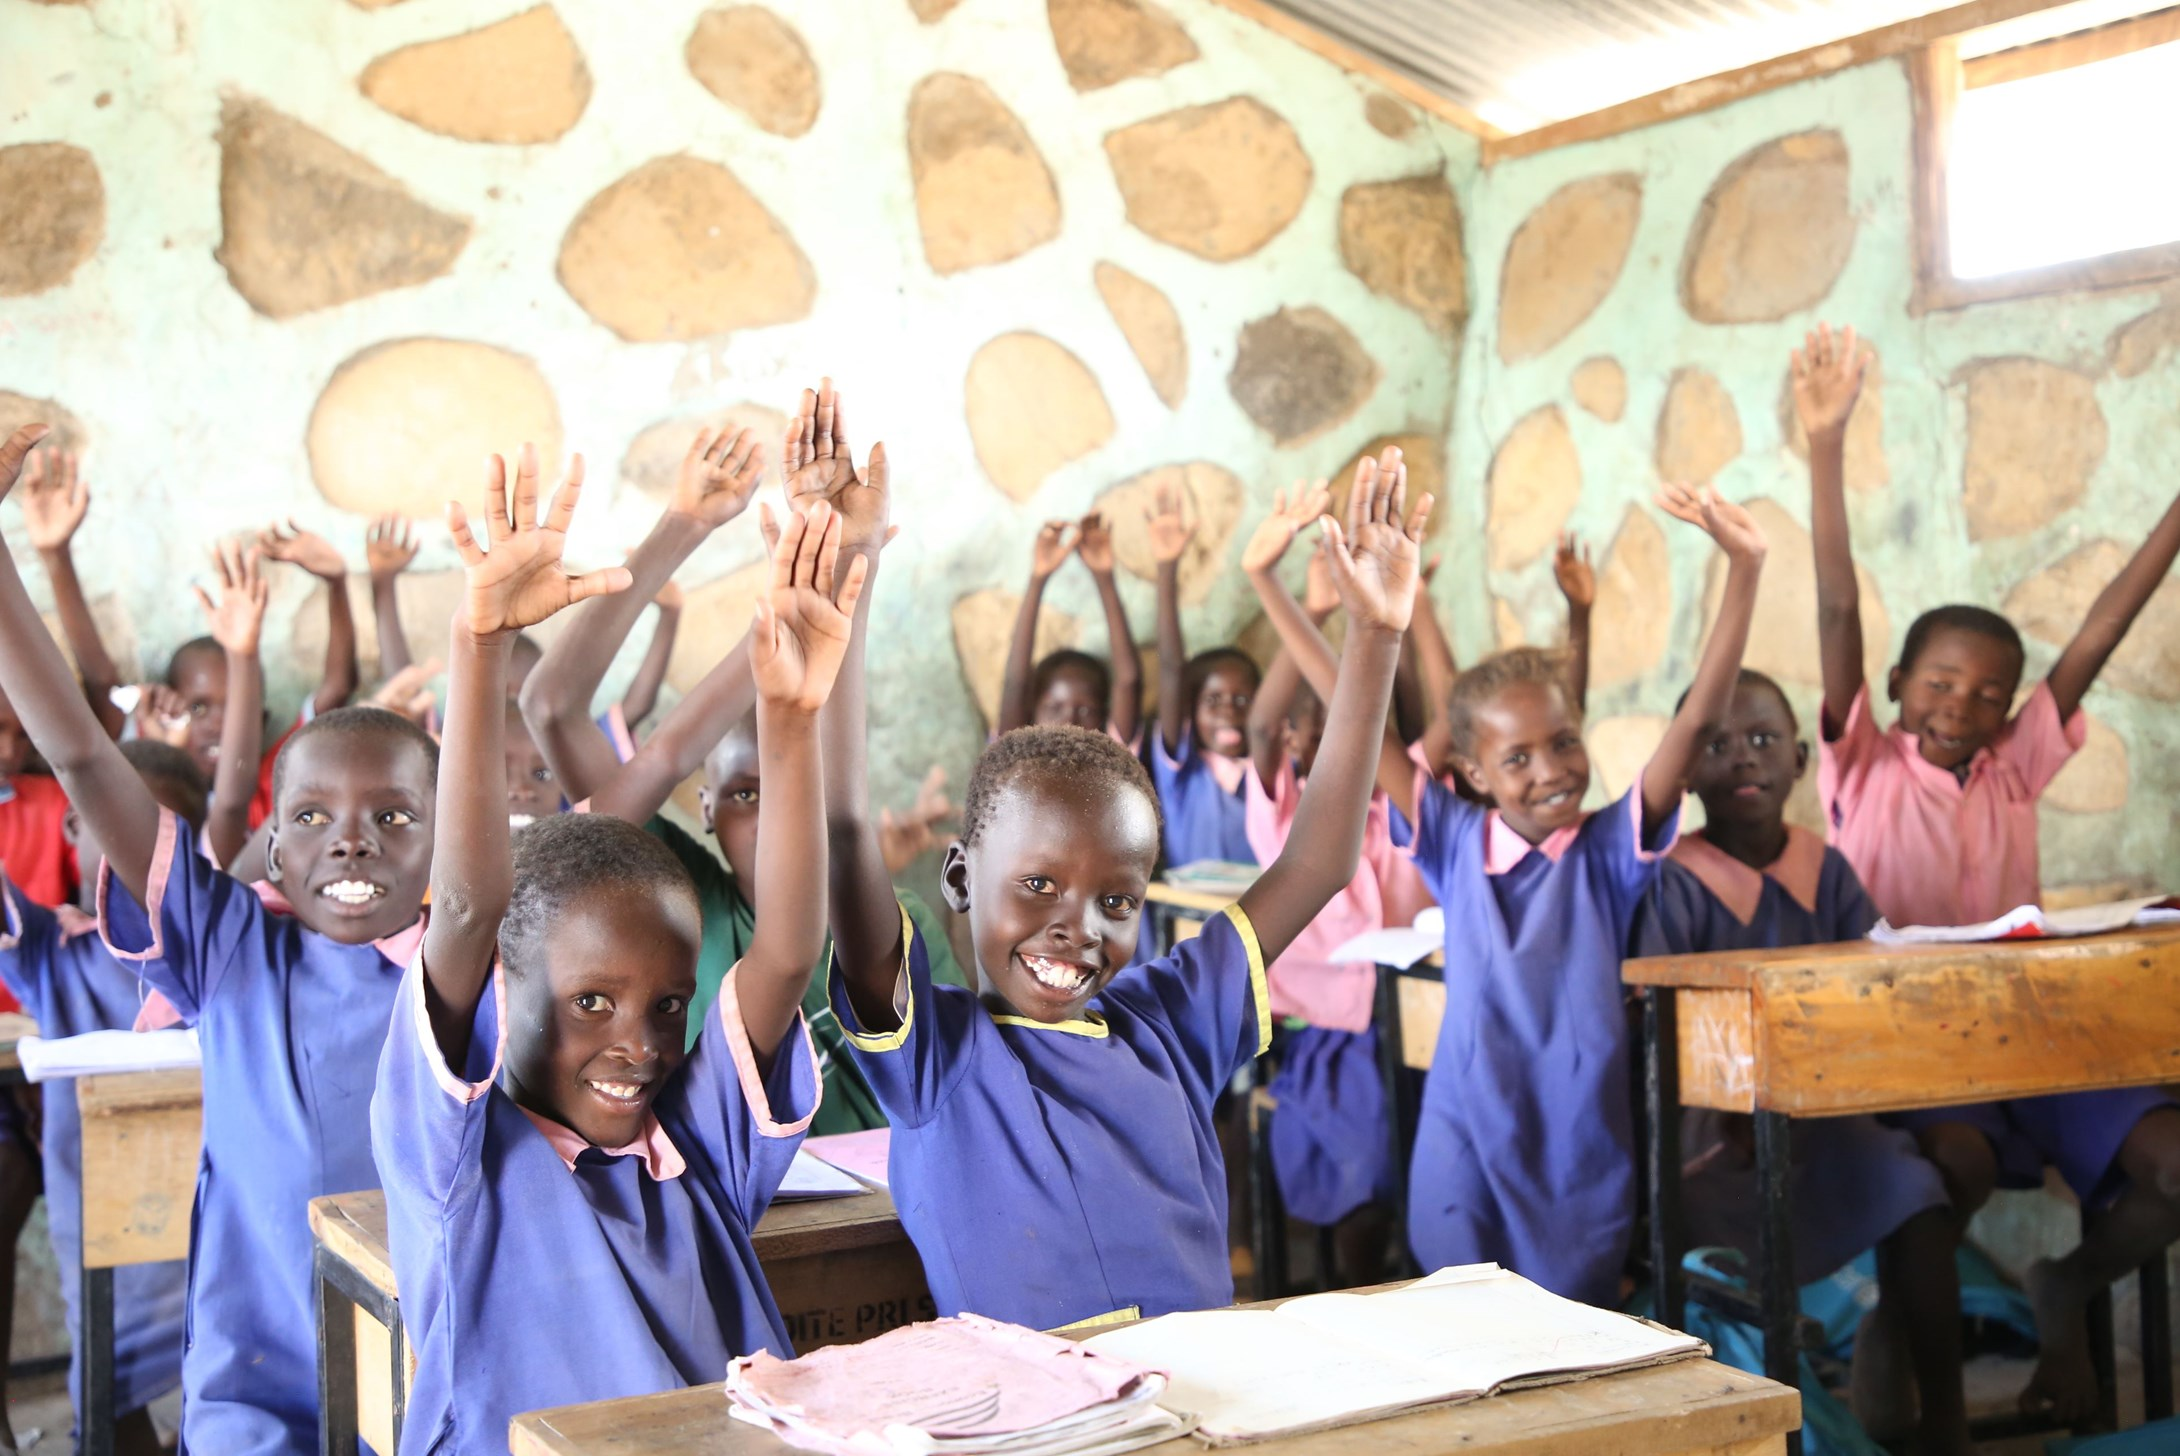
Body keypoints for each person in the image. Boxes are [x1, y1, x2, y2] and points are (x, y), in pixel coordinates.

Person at [825, 447, 1430, 1329]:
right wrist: (852, 573)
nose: (1080, 928)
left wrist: (1376, 637)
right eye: (1039, 885)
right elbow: (846, 841)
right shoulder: (938, 1058)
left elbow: (1317, 863)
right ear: (959, 877)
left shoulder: (1170, 1022)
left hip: (1203, 1407)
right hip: (1039, 1426)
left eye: (1117, 901)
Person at [375, 454, 855, 1455]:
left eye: (667, 1006)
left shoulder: (695, 1141)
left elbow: (789, 947)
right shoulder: (459, 1166)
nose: (638, 1044)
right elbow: (464, 906)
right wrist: (475, 644)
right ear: (505, 992)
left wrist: (792, 720)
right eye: (592, 1002)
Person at [0, 424, 445, 1455]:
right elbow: (75, 747)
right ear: (268, 852)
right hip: (254, 1375)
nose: (351, 841)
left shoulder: (461, 970)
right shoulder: (232, 948)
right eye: (312, 818)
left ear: (442, 846)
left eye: (392, 817)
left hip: (428, 1365)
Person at [1797, 322, 2180, 1425]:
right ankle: (1934, 1408)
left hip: (2036, 1038)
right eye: (1938, 684)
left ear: (2011, 710)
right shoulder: (1858, 766)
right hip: (1911, 1051)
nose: (1959, 708)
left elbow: (2105, 623)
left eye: (1984, 694)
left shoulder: (2015, 769)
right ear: (1895, 686)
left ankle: (2063, 1285)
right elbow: (1832, 606)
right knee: (1941, 1177)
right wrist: (1824, 446)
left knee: (2169, 1163)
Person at [525, 390, 970, 1131]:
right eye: (743, 796)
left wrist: (841, 579)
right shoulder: (670, 905)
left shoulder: (891, 920)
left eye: (791, 788)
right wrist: (687, 529)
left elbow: (844, 821)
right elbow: (551, 709)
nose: (771, 819)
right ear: (702, 809)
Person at [1384, 480, 1765, 1308]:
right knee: (1459, 1328)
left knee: (1570, 1344)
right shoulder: (1452, 840)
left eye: (1565, 743)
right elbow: (1367, 737)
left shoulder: (1607, 850)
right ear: (1473, 774)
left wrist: (1746, 565)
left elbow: (1696, 723)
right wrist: (1371, 616)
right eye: (1518, 760)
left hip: (1577, 1144)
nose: (1552, 770)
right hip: (1466, 1130)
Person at [1631, 669, 1964, 1455]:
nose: (1744, 759)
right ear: (1684, 770)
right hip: (1714, 1141)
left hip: (1823, 1122)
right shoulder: (1674, 883)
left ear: (1800, 761)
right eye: (1716, 745)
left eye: (1763, 741)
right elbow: (1658, 1028)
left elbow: (1870, 992)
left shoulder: (1827, 869)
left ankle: (1946, 1424)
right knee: (1717, 1245)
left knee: (1915, 1190)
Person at [1237, 469, 1436, 1284]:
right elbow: (1263, 721)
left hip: (1409, 1028)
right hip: (1323, 1041)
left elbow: (1366, 707)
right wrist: (1284, 593)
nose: (1329, 742)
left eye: (1344, 725)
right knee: (1338, 1196)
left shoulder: (1410, 805)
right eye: (1308, 733)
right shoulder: (1290, 814)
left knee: (1381, 1202)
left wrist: (1391, 621)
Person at [0, 738, 201, 1456]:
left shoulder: (217, 947)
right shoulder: (53, 954)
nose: (130, 849)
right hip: (102, 1248)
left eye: (154, 831)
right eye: (107, 826)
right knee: (108, 1406)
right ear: (71, 831)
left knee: (220, 1392)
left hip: (210, 1240)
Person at [165, 516, 360, 831]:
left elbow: (339, 686)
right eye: (198, 707)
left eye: (235, 708)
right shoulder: (151, 793)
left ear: (262, 722)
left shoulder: (276, 782)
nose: (217, 723)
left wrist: (336, 583)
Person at [1147, 479, 1260, 867]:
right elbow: (1172, 671)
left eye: (1243, 700)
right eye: (1213, 700)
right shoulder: (1182, 771)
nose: (1229, 711)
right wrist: (1167, 568)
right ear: (1190, 711)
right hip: (1188, 920)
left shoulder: (1268, 773)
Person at [995, 512, 1142, 744]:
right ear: (1031, 710)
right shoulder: (1017, 756)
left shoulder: (1109, 761)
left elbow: (1129, 679)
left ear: (1104, 716)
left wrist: (1104, 577)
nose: (1070, 722)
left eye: (1087, 711)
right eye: (1054, 708)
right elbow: (1016, 683)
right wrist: (1038, 578)